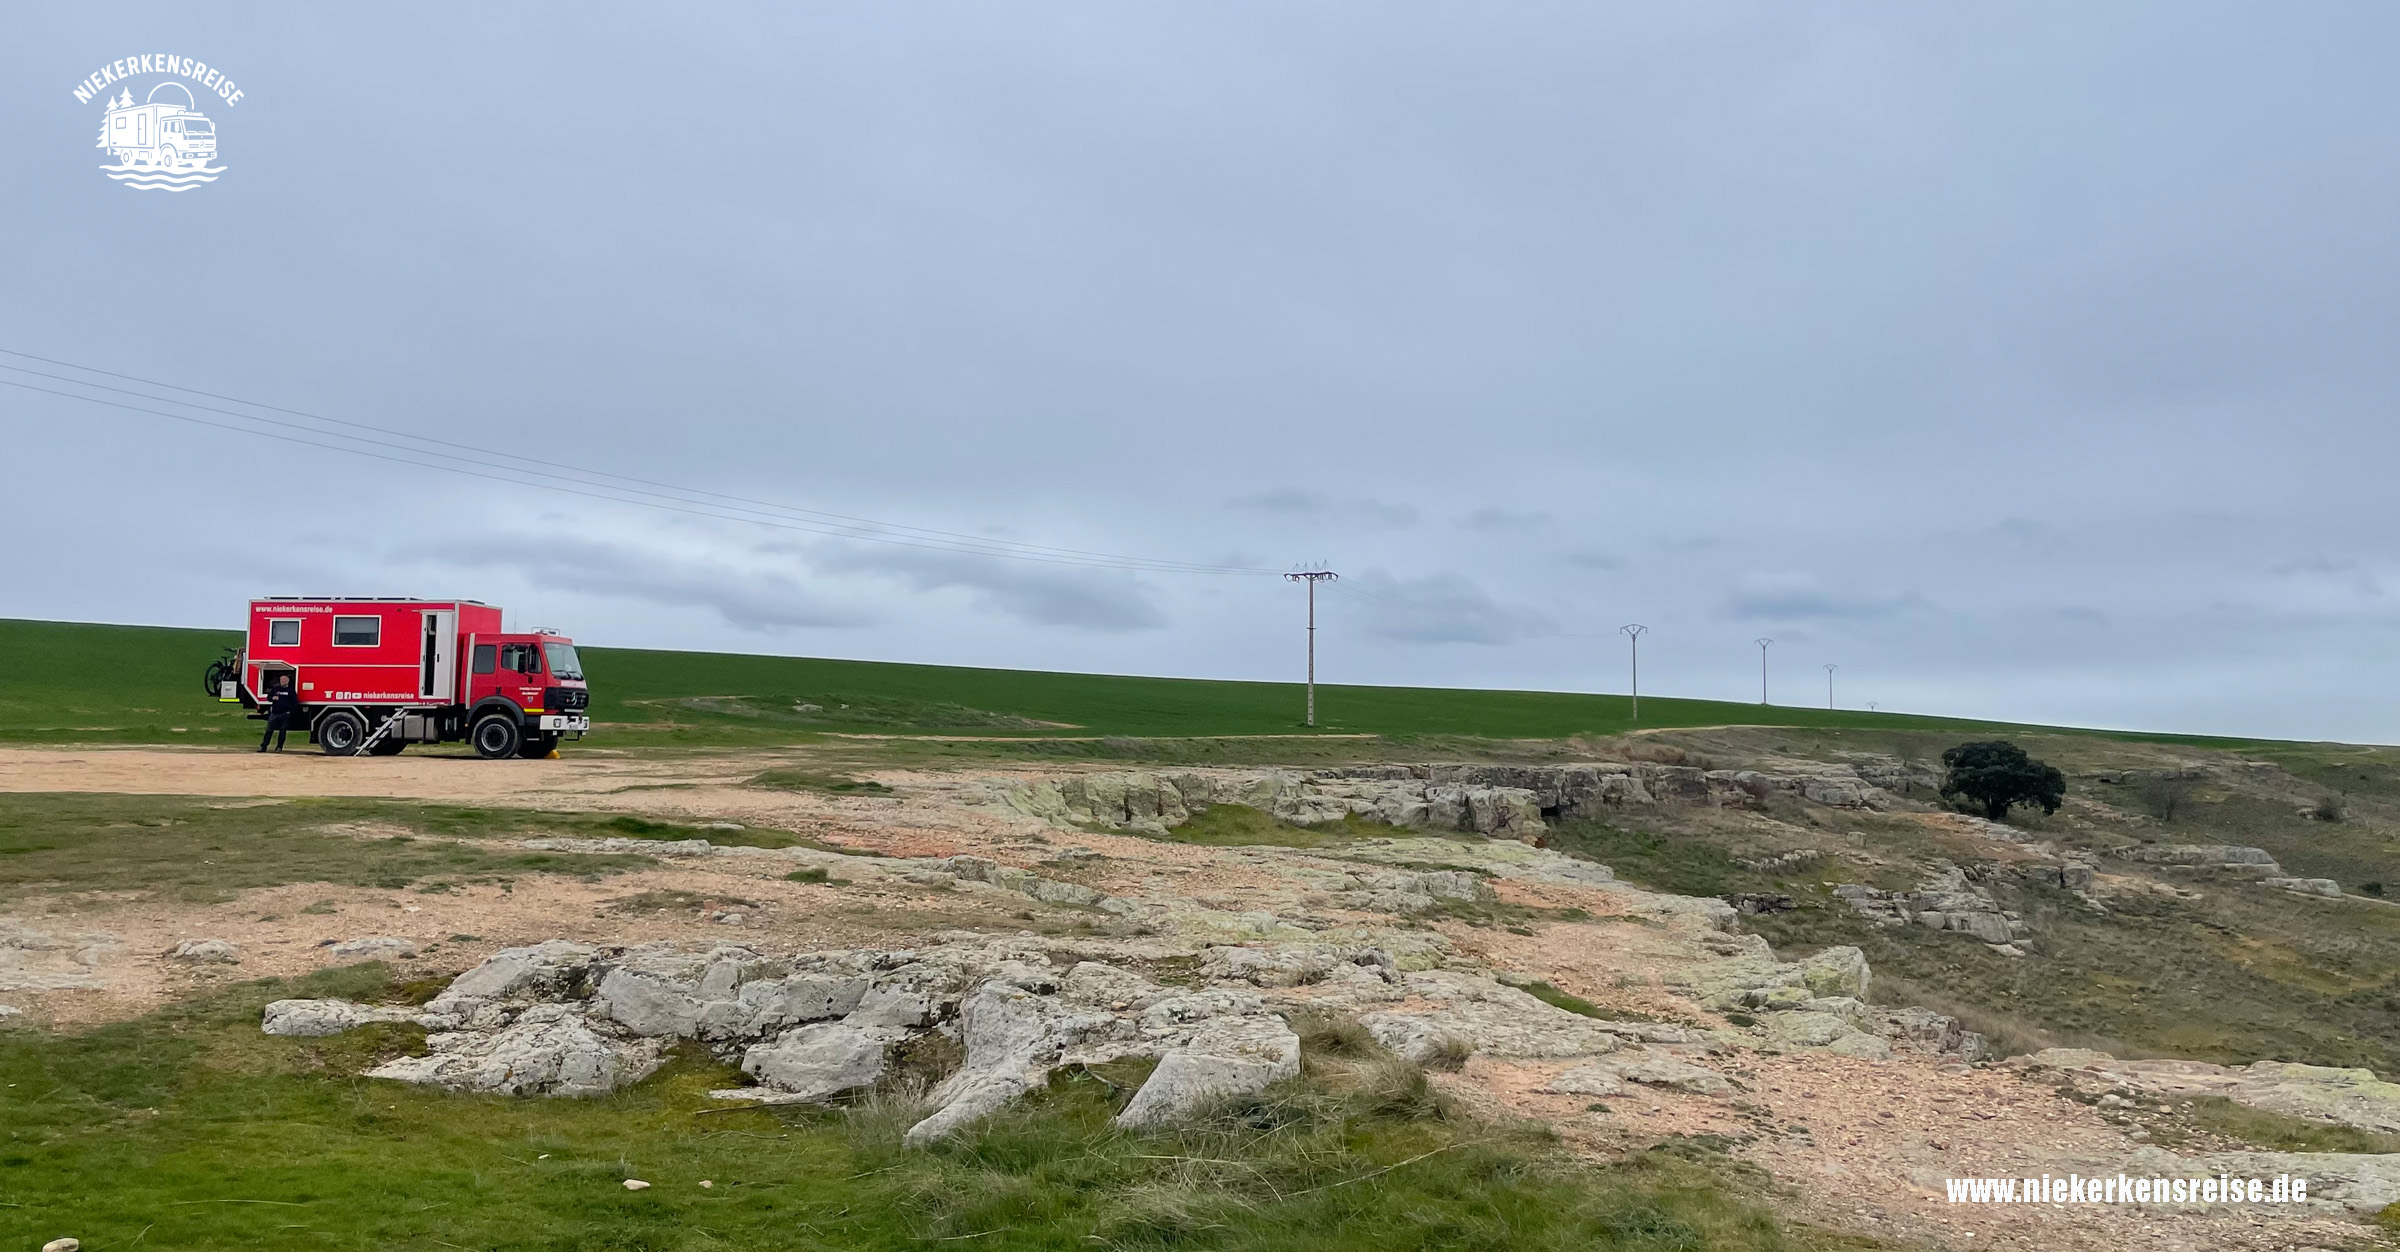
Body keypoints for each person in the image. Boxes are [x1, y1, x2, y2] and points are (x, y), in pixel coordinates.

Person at [259, 677, 301, 752]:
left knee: (282, 731)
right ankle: (263, 746)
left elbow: (295, 702)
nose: (282, 681)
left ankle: (279, 747)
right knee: (269, 730)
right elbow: (268, 698)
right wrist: (272, 698)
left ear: (287, 681)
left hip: (285, 714)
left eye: (284, 680)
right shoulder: (275, 689)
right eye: (281, 680)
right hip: (274, 713)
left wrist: (290, 711)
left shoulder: (291, 690)